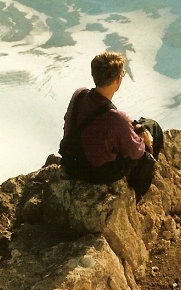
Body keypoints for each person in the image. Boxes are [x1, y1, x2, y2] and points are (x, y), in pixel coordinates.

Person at [59, 51, 163, 200]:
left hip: (72, 163)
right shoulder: (117, 118)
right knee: (153, 129)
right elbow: (136, 152)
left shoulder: (79, 94)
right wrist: (145, 141)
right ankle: (136, 194)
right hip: (96, 174)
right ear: (118, 80)